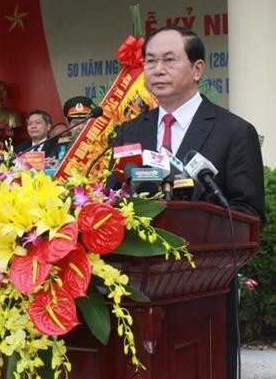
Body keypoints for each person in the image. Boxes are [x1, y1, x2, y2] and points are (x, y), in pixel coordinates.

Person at [107, 26, 265, 379]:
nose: (157, 69)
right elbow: (111, 199)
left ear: (197, 69)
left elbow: (250, 214)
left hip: (202, 291)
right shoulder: (130, 131)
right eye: (150, 61)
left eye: (169, 60)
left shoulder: (233, 132)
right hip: (136, 286)